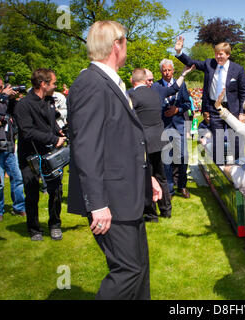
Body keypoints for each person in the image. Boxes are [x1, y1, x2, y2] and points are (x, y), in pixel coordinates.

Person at [67, 20, 162, 300]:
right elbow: (86, 148)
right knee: (127, 270)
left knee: (140, 268)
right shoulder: (91, 83)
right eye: (126, 41)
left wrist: (149, 178)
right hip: (111, 200)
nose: (127, 47)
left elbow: (123, 142)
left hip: (128, 196)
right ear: (116, 45)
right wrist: (97, 204)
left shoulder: (111, 82)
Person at [129, 65, 194, 220]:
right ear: (146, 80)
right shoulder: (157, 91)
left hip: (144, 142)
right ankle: (166, 210)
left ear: (132, 80)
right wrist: (183, 74)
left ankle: (151, 214)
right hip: (160, 139)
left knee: (147, 177)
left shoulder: (130, 95)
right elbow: (175, 87)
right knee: (161, 176)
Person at [174, 36, 245, 164]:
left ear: (228, 55)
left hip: (232, 109)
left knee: (235, 139)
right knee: (217, 141)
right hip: (214, 109)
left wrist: (242, 112)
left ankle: (239, 167)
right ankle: (219, 170)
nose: (218, 57)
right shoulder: (210, 64)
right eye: (216, 54)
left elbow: (243, 92)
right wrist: (179, 52)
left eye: (221, 54)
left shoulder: (238, 69)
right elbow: (192, 62)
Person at [14, 69, 65, 241]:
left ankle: (55, 224)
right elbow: (27, 132)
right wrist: (53, 138)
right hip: (29, 156)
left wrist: (59, 133)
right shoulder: (24, 105)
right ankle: (34, 228)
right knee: (32, 192)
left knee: (56, 190)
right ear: (43, 84)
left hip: (50, 154)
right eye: (53, 83)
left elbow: (51, 125)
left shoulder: (49, 102)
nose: (55, 86)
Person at [155, 59, 192, 198]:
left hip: (179, 125)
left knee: (183, 157)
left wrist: (177, 110)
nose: (167, 73)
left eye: (169, 70)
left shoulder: (181, 85)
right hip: (164, 127)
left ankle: (182, 186)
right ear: (161, 71)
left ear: (173, 70)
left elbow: (188, 104)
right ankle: (169, 189)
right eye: (164, 70)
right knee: (167, 159)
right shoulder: (156, 86)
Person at [0, 75, 26, 221]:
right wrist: (3, 97)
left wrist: (11, 99)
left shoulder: (4, 101)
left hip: (9, 144)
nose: (3, 89)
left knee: (17, 178)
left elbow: (14, 113)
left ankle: (19, 207)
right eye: (0, 87)